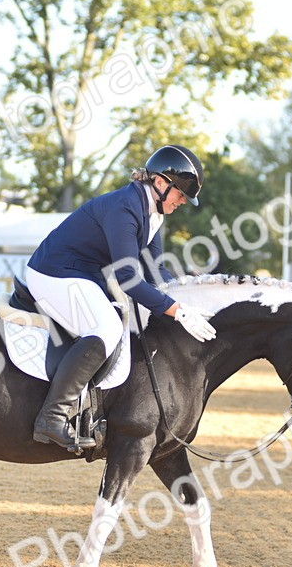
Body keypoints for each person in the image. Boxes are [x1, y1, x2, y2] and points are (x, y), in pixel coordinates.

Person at [25, 144, 217, 450]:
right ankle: (53, 416)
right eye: (181, 193)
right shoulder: (125, 207)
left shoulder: (153, 214)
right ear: (160, 183)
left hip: (85, 275)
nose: (183, 201)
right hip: (55, 273)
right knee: (107, 329)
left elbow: (154, 271)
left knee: (117, 320)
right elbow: (128, 279)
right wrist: (177, 311)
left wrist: (185, 296)